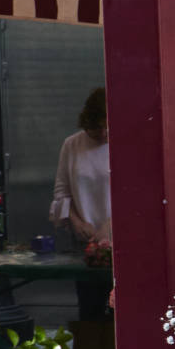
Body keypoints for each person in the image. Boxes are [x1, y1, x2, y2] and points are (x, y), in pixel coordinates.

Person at [51, 87, 111, 320]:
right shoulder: (72, 145)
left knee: (120, 312)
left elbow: (139, 192)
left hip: (121, 244)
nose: (104, 134)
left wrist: (111, 225)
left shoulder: (127, 144)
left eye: (108, 127)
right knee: (89, 310)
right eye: (97, 128)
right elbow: (61, 192)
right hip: (85, 245)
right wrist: (75, 221)